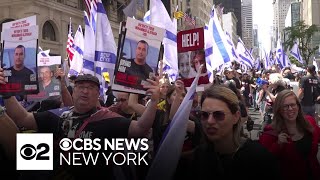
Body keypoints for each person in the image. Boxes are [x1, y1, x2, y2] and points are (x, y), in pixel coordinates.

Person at [0, 68, 160, 179]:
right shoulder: (57, 116)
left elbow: (140, 128)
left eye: (90, 88)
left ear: (98, 94)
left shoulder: (109, 119)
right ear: (73, 91)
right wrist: (6, 93)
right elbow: (21, 118)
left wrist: (153, 101)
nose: (85, 91)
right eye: (81, 87)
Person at [179, 85, 280, 179]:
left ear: (236, 117)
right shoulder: (200, 157)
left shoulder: (259, 158)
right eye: (204, 115)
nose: (209, 121)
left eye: (218, 115)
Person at [259, 90, 320, 180]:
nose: (290, 109)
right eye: (285, 106)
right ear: (279, 109)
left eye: (292, 105)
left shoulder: (309, 122)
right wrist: (278, 145)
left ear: (298, 106)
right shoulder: (270, 133)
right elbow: (264, 163)